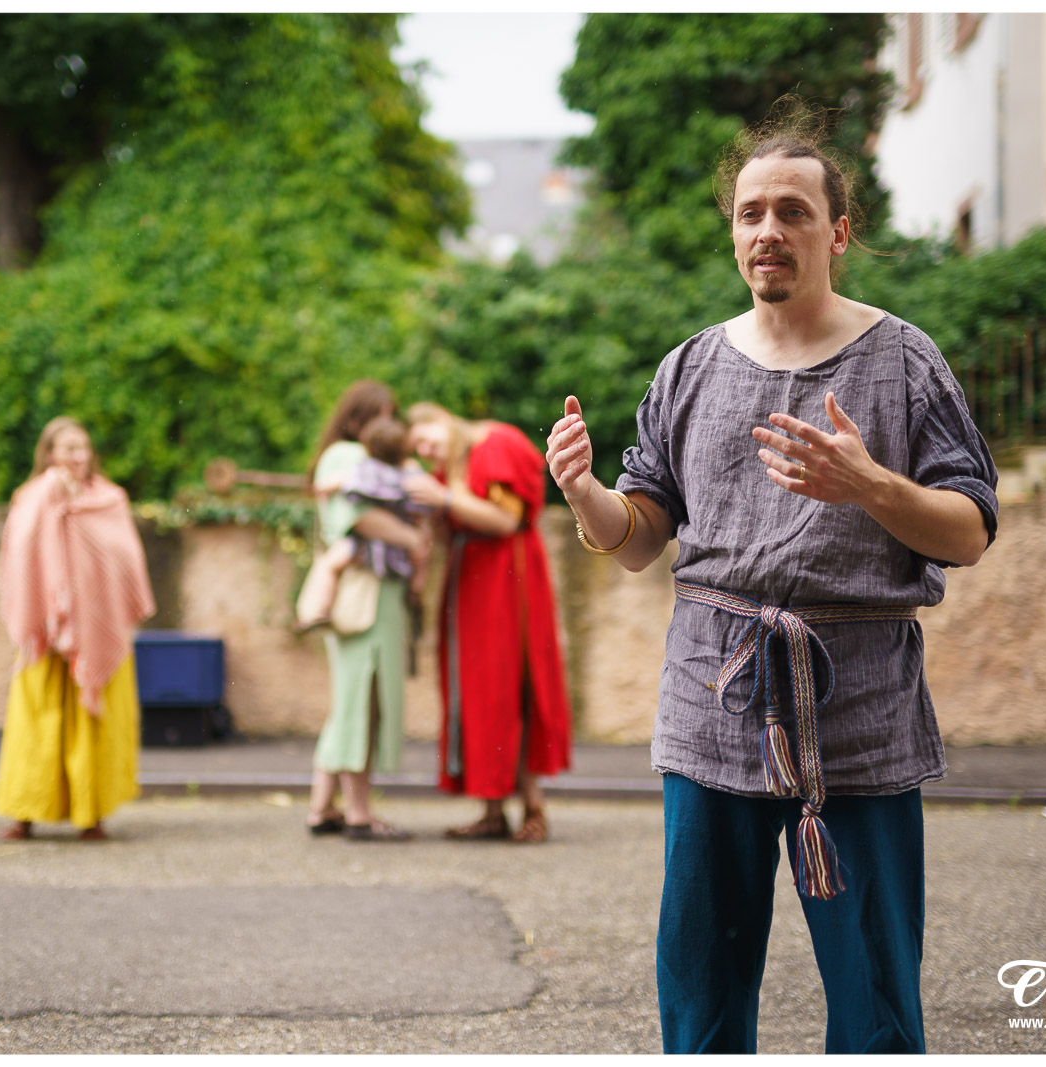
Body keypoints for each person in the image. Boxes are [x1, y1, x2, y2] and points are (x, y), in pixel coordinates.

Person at [544, 100, 998, 1054]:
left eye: (793, 211)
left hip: (860, 707)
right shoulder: (689, 368)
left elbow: (969, 531)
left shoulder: (905, 360)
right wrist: (585, 492)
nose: (768, 231)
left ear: (838, 232)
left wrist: (870, 485)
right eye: (750, 213)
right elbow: (640, 539)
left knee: (877, 1001)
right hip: (711, 701)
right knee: (702, 995)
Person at [405, 402, 572, 844]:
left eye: (425, 439)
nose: (425, 451)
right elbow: (452, 528)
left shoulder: (496, 444)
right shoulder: (450, 465)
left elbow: (505, 519)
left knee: (512, 684)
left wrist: (443, 498)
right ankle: (492, 809)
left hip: (507, 578)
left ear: (442, 419)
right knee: (478, 690)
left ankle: (533, 807)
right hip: (471, 582)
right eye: (418, 448)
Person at [0, 416, 156, 842]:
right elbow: (19, 555)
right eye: (68, 448)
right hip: (46, 638)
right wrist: (52, 495)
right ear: (49, 454)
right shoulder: (31, 497)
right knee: (36, 725)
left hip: (97, 635)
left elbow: (124, 560)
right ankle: (24, 813)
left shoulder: (110, 500)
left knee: (94, 726)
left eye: (83, 447)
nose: (78, 456)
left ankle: (92, 813)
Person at [304, 381, 426, 841]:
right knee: (362, 701)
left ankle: (322, 807)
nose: (390, 425)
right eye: (382, 415)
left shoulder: (352, 458)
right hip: (368, 595)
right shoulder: (351, 457)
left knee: (351, 700)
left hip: (374, 594)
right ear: (357, 419)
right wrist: (412, 539)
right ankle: (358, 814)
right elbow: (353, 519)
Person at [296, 416, 430, 630]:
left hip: (363, 544)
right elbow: (422, 504)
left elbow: (346, 482)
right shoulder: (407, 476)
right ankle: (416, 591)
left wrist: (326, 485)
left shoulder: (367, 470)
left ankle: (319, 612)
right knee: (421, 554)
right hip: (398, 549)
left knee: (328, 564)